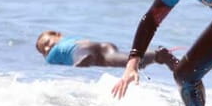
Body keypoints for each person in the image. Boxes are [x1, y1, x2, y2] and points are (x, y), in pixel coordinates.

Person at [36, 30, 178, 69]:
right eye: (43, 50)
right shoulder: (74, 38)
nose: (47, 48)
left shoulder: (53, 54)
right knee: (121, 59)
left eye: (47, 43)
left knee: (80, 56)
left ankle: (83, 61)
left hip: (81, 51)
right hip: (103, 46)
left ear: (58, 35)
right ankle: (157, 55)